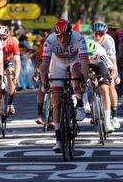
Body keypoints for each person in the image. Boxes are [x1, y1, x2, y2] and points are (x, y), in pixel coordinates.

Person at [39, 19, 89, 153]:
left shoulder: (79, 39)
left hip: (75, 62)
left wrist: (84, 81)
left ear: (70, 34)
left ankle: (79, 102)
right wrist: (44, 82)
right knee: (56, 100)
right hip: (58, 64)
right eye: (58, 36)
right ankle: (58, 139)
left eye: (64, 36)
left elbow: (85, 62)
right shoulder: (50, 40)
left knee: (77, 75)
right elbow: (44, 66)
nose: (61, 39)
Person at [92, 22, 121, 130]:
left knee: (110, 85)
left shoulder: (109, 40)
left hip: (105, 62)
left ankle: (114, 116)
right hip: (92, 63)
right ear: (93, 33)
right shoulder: (89, 40)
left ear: (105, 33)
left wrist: (115, 74)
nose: (98, 36)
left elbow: (112, 61)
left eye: (101, 33)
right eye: (96, 33)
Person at [86, 39, 116, 133]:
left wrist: (110, 78)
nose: (90, 59)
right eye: (88, 57)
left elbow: (113, 69)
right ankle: (84, 103)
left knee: (104, 89)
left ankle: (107, 122)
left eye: (92, 56)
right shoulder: (79, 54)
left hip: (99, 65)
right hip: (84, 66)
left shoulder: (100, 52)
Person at [0, 25, 21, 115]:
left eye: (4, 38)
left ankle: (10, 103)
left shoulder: (13, 42)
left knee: (10, 74)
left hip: (7, 61)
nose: (1, 41)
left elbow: (17, 61)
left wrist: (16, 77)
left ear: (8, 37)